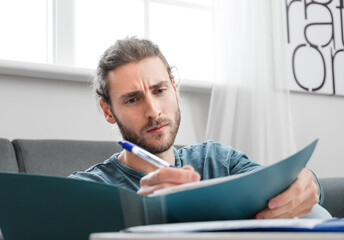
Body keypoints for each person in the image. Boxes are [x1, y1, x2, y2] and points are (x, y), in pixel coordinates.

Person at [69, 37, 330, 219]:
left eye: (160, 90)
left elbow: (281, 189)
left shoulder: (217, 161)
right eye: (133, 99)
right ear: (108, 111)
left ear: (175, 88)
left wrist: (308, 184)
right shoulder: (86, 190)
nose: (153, 111)